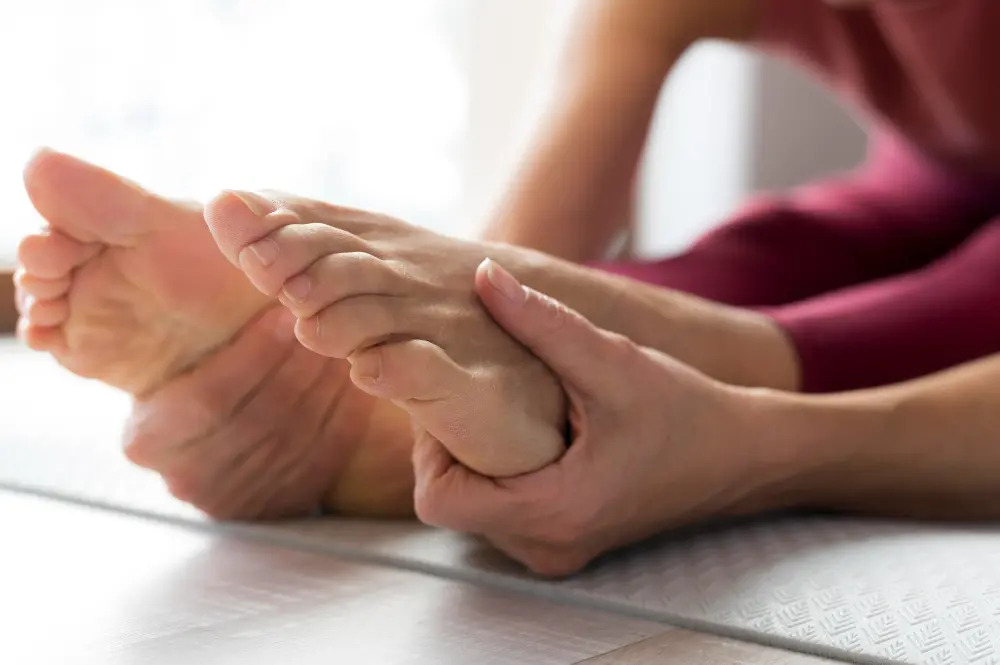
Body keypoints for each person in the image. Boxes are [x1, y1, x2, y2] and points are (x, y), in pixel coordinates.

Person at [12, 0, 1000, 574]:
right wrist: (474, 346)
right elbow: (526, 263)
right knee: (755, 255)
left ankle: (716, 374)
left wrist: (761, 449)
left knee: (941, 293)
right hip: (939, 175)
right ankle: (410, 426)